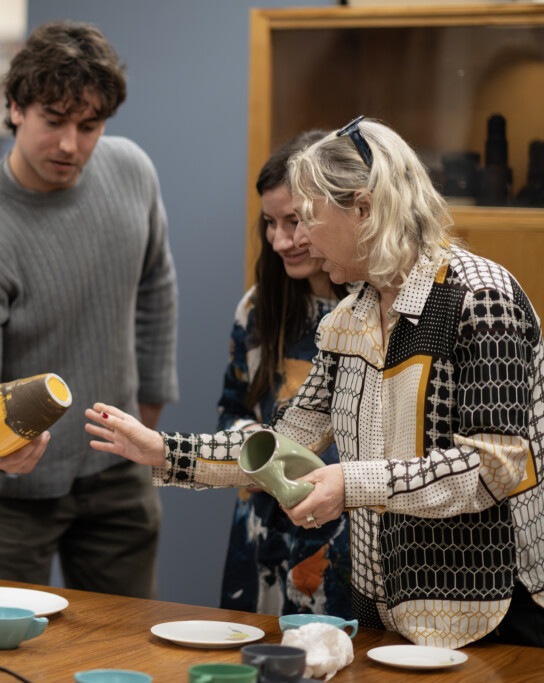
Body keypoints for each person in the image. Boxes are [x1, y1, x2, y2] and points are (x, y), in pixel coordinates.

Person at [86, 116, 544, 649]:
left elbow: (496, 466)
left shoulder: (483, 298)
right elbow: (285, 442)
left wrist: (350, 483)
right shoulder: (347, 319)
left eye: (308, 218)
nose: (295, 238)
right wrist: (165, 451)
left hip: (489, 612)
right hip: (383, 608)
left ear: (364, 209)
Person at [0, 20, 178, 598]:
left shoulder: (131, 171)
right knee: (1, 657)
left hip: (116, 471)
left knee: (124, 648)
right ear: (15, 108)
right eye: (54, 121)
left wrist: (152, 399)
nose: (71, 144)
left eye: (89, 126)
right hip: (5, 492)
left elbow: (156, 285)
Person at [218, 131, 352, 618]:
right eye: (270, 224)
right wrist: (256, 448)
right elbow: (231, 408)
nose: (280, 240)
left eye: (294, 222)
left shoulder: (373, 313)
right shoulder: (257, 309)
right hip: (265, 529)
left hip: (347, 535)